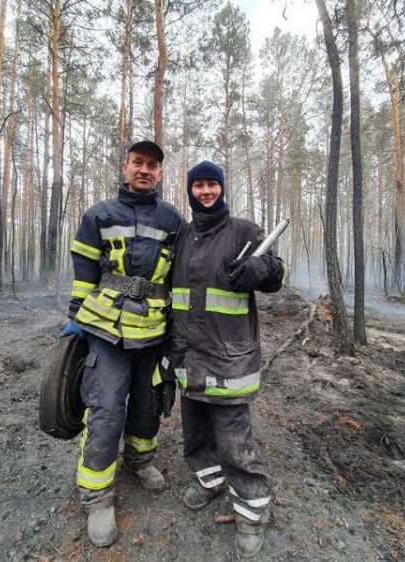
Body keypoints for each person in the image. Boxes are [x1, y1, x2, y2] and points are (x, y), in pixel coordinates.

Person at [59, 140, 184, 548]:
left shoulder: (172, 219)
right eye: (138, 163)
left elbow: (181, 276)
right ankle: (98, 496)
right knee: (107, 408)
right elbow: (83, 269)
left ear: (160, 173)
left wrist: (179, 330)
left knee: (149, 403)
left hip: (153, 330)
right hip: (106, 328)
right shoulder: (99, 214)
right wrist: (76, 318)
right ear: (125, 167)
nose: (144, 169)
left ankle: (140, 460)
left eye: (152, 165)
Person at [169, 161, 284, 559]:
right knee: (195, 431)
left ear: (221, 188)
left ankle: (252, 511)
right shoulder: (183, 236)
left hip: (229, 357)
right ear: (190, 190)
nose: (205, 192)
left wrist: (261, 268)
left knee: (235, 439)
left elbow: (277, 275)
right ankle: (209, 479)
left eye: (211, 185)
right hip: (189, 354)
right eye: (198, 185)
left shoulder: (243, 231)